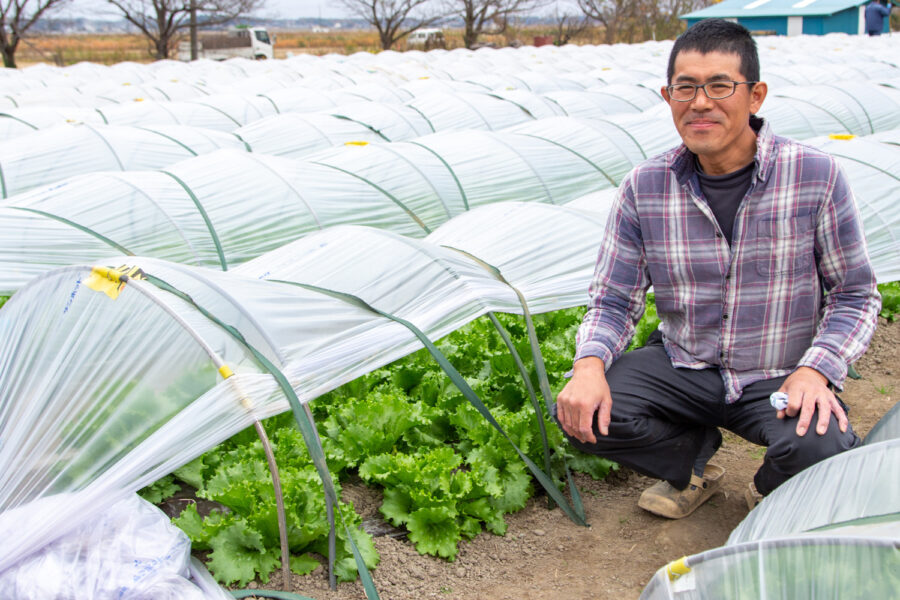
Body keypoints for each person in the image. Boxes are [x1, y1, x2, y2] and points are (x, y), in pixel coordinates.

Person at [554, 18, 881, 519]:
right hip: (684, 365)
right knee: (584, 411)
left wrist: (817, 370)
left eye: (719, 86)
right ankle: (694, 460)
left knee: (822, 447)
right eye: (685, 88)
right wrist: (588, 365)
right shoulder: (646, 187)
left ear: (755, 96)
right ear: (668, 97)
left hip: (779, 374)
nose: (700, 102)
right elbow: (615, 300)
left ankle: (775, 486)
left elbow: (854, 294)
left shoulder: (814, 176)